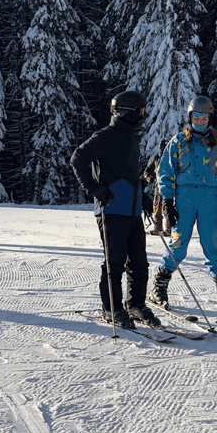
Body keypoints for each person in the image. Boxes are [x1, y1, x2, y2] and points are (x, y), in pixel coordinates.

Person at [69, 90, 158, 329]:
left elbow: (127, 173)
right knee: (115, 262)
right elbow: (77, 158)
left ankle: (136, 304)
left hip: (132, 210)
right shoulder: (106, 136)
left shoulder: (130, 137)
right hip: (111, 209)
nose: (143, 115)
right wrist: (95, 189)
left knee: (139, 263)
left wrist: (143, 195)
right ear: (127, 112)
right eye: (141, 111)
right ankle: (112, 309)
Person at [149, 96, 217, 314]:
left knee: (211, 245)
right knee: (179, 243)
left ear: (210, 119)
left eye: (204, 118)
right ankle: (159, 285)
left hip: (209, 199)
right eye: (196, 118)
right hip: (184, 199)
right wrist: (167, 202)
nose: (200, 122)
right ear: (190, 118)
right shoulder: (178, 141)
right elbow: (165, 172)